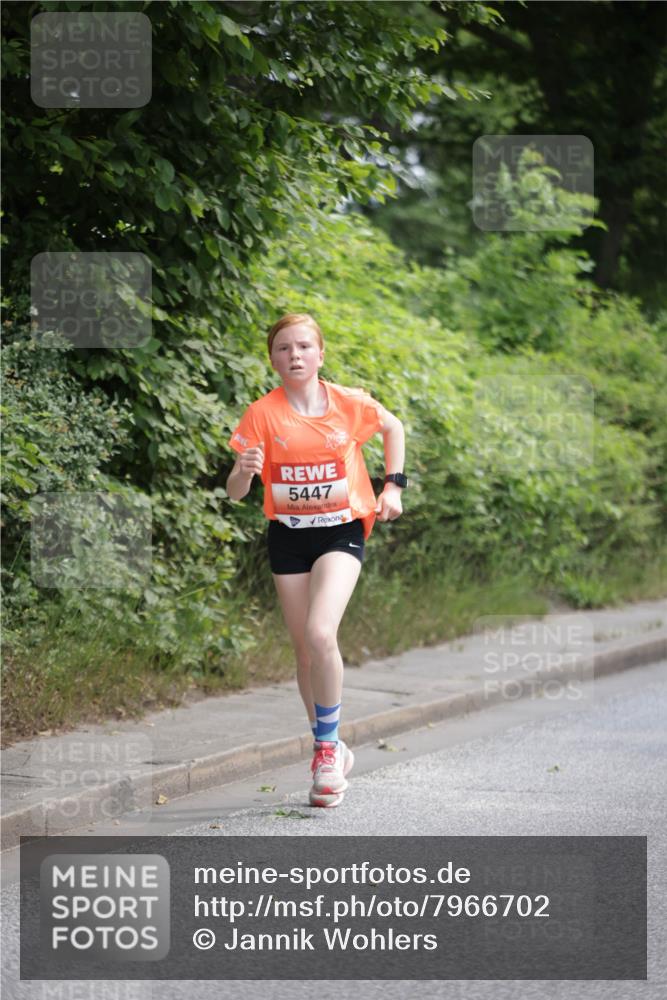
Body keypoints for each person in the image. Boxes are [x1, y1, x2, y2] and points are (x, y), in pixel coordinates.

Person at [226, 313, 406, 807]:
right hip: (287, 536)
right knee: (303, 650)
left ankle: (326, 751)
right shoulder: (261, 414)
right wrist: (242, 472)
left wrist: (394, 485)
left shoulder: (348, 403)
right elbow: (235, 490)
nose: (295, 355)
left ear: (320, 354)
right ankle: (329, 743)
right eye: (284, 348)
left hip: (343, 529)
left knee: (320, 633)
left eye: (304, 346)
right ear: (273, 359)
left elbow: (394, 427)